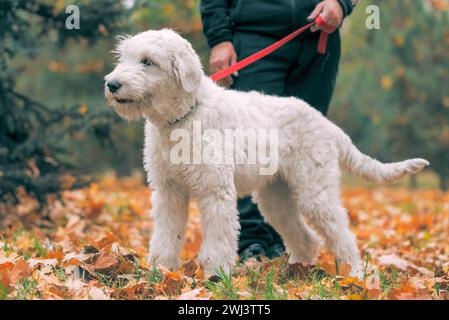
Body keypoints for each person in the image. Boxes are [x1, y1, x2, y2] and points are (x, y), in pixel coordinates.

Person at [200, 0, 359, 260]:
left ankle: (287, 245)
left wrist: (341, 3)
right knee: (252, 151)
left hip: (320, 40)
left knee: (302, 156)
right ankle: (251, 244)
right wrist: (219, 37)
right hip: (253, 36)